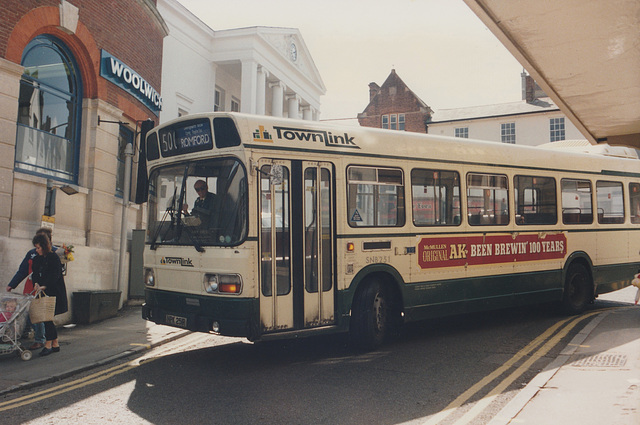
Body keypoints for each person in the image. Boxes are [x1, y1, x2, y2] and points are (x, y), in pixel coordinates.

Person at [5, 227, 57, 350]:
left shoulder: (54, 253)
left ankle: (41, 339)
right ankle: (39, 338)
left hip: (44, 289)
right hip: (32, 287)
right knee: (29, 315)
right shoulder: (32, 253)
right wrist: (12, 284)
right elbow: (23, 270)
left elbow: (55, 273)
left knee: (39, 315)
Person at [31, 233, 68, 357]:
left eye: (38, 247)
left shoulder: (53, 258)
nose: (37, 250)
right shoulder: (37, 259)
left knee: (47, 319)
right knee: (47, 318)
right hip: (43, 292)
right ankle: (55, 343)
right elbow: (35, 274)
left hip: (54, 292)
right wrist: (36, 284)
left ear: (44, 246)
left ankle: (48, 344)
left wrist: (45, 285)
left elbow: (55, 275)